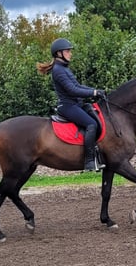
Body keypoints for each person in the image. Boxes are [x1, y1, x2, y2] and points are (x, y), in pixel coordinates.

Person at [37, 38, 106, 172]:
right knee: (91, 124)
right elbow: (72, 90)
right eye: (68, 51)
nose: (70, 53)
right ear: (59, 53)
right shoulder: (58, 70)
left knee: (95, 117)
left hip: (76, 104)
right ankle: (89, 161)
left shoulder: (64, 69)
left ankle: (98, 154)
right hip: (68, 106)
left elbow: (78, 86)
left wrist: (96, 91)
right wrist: (94, 92)